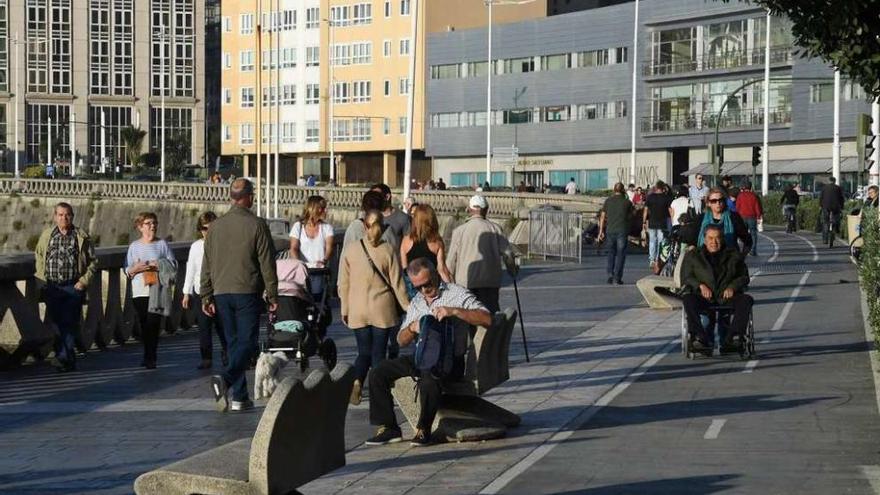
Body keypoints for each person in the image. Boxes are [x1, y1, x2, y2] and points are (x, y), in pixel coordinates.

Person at [365, 258, 492, 447]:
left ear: (435, 274)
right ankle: (389, 427)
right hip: (422, 357)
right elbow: (400, 340)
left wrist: (455, 312)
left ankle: (424, 429)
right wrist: (412, 329)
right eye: (418, 287)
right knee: (378, 372)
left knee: (429, 377)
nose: (424, 290)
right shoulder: (417, 302)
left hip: (449, 361)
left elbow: (487, 318)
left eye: (427, 284)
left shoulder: (456, 293)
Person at [202, 178, 278, 413]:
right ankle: (225, 379)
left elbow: (207, 262)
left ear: (231, 197)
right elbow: (267, 262)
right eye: (252, 195)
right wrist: (273, 295)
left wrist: (206, 294)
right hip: (247, 290)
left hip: (221, 291)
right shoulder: (257, 225)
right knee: (247, 343)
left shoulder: (215, 227)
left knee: (234, 344)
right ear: (248, 197)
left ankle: (240, 396)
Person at [338, 210, 410, 406]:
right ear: (383, 226)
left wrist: (344, 308)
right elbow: (397, 283)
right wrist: (408, 307)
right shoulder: (388, 250)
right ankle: (379, 392)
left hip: (358, 308)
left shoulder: (351, 250)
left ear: (365, 226)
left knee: (363, 352)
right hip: (383, 309)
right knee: (379, 354)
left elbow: (343, 283)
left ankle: (357, 381)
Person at [34, 202, 98, 372]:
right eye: (60, 214)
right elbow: (39, 256)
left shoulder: (81, 236)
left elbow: (93, 262)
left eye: (67, 214)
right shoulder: (47, 235)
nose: (64, 218)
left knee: (69, 323)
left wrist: (83, 281)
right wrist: (42, 279)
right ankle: (68, 359)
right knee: (56, 323)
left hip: (73, 286)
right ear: (55, 216)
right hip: (52, 286)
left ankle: (62, 357)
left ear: (72, 216)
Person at [681, 224, 753, 354]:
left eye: (717, 238)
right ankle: (700, 338)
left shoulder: (733, 255)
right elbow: (686, 277)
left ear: (722, 239)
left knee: (746, 300)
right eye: (710, 238)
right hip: (703, 297)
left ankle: (732, 338)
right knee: (688, 299)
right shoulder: (693, 255)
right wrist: (700, 286)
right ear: (704, 239)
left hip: (726, 297)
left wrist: (732, 287)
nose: (714, 242)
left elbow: (744, 277)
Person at [446, 195, 516, 314]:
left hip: (465, 282)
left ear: (469, 209)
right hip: (490, 282)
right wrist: (512, 270)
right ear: (486, 209)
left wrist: (449, 283)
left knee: (468, 316)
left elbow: (451, 261)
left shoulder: (459, 231)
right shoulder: (496, 229)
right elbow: (508, 254)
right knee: (490, 316)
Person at [125, 212, 177, 370]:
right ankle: (147, 354)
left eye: (154, 223)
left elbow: (173, 265)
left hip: (157, 290)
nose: (152, 226)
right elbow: (127, 269)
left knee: (153, 324)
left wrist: (158, 264)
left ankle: (151, 357)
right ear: (140, 227)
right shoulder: (134, 246)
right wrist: (136, 268)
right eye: (148, 223)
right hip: (140, 291)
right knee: (144, 324)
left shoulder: (162, 244)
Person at [183, 212, 227, 370]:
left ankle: (227, 352)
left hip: (219, 289)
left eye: (210, 228)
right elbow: (191, 269)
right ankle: (206, 357)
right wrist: (186, 292)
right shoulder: (196, 246)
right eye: (204, 228)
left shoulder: (223, 244)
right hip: (199, 290)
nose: (206, 231)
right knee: (204, 326)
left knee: (223, 325)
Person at [289, 195, 335, 297]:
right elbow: (294, 248)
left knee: (320, 302)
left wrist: (324, 260)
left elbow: (329, 248)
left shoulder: (327, 228)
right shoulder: (298, 227)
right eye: (322, 208)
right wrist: (300, 265)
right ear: (313, 209)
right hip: (303, 273)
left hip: (320, 271)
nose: (325, 211)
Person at [401, 204, 453, 288]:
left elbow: (404, 268)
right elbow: (442, 269)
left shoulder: (406, 241)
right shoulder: (436, 242)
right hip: (431, 285)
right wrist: (451, 288)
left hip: (412, 286)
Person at [343, 190, 401, 256]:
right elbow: (394, 258)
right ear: (382, 207)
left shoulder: (355, 227)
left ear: (363, 207)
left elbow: (345, 256)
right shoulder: (388, 231)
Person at [697, 187, 752, 254]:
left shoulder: (733, 217)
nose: (718, 203)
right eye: (714, 201)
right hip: (705, 261)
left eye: (721, 200)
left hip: (729, 260)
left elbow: (747, 239)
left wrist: (740, 257)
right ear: (708, 203)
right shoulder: (701, 219)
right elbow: (692, 241)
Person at [597, 183, 633, 285]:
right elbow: (631, 216)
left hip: (610, 230)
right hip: (622, 230)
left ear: (614, 190)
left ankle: (610, 274)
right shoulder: (627, 202)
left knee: (611, 253)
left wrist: (600, 232)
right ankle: (617, 277)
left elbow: (602, 216)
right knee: (621, 254)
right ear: (623, 191)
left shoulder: (608, 201)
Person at [643, 181, 672, 270]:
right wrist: (672, 221)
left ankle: (651, 259)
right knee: (661, 241)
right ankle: (658, 259)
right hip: (662, 223)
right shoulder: (666, 198)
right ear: (663, 188)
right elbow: (670, 210)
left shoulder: (650, 197)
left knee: (652, 241)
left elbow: (646, 210)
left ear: (656, 188)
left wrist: (644, 221)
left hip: (652, 222)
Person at [736, 181, 763, 256]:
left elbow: (737, 207)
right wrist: (758, 216)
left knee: (743, 234)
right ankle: (753, 250)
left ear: (744, 187)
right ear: (750, 187)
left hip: (742, 217)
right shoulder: (754, 195)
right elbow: (757, 207)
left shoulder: (740, 195)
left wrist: (736, 216)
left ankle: (745, 249)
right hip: (752, 217)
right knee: (753, 234)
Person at [820, 176, 845, 243]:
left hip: (826, 207)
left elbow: (821, 198)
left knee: (825, 222)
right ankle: (836, 229)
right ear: (835, 181)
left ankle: (825, 239)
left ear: (829, 181)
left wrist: (821, 206)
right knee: (836, 219)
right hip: (835, 207)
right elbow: (841, 198)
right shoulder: (838, 188)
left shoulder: (824, 188)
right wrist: (842, 207)